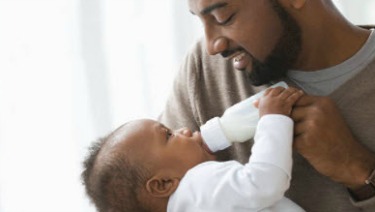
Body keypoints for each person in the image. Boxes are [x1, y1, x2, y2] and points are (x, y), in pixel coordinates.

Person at [158, 0, 375, 211]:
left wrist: (358, 167)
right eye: (201, 20)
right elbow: (145, 193)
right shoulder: (207, 70)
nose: (212, 47)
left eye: (223, 18)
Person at [82, 87, 305, 212]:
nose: (184, 130)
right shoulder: (197, 185)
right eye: (169, 135)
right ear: (164, 184)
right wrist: (273, 118)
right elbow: (264, 182)